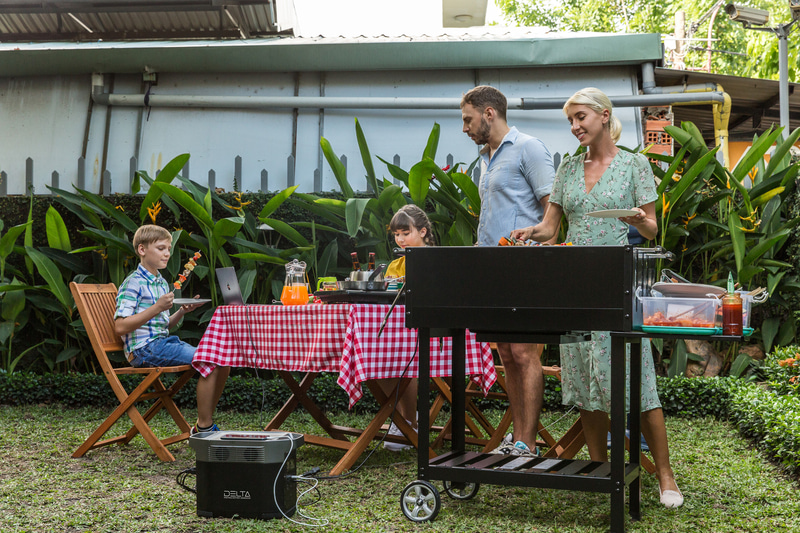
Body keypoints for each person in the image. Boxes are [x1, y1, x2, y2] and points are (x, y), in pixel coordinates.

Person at [511, 87, 683, 508]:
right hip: (575, 287)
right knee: (585, 382)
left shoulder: (634, 164)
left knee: (638, 382)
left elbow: (652, 230)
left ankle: (665, 475)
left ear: (604, 116)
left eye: (581, 118)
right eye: (571, 121)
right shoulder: (568, 168)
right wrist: (529, 233)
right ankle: (602, 472)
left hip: (617, 285)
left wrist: (640, 219)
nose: (575, 127)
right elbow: (552, 227)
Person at [461, 85, 555, 457]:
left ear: (489, 113)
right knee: (504, 351)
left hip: (525, 267)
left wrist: (539, 265)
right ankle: (517, 439)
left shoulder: (529, 147)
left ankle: (527, 444)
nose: (465, 128)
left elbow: (553, 213)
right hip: (492, 269)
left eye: (468, 119)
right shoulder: (487, 158)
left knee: (524, 351)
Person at [114, 224, 230, 435]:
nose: (167, 253)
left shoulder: (160, 282)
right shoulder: (133, 283)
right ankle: (204, 428)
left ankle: (204, 422)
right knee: (212, 359)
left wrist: (181, 312)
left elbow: (161, 325)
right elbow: (120, 326)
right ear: (142, 250)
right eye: (161, 248)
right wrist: (157, 307)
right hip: (144, 349)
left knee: (222, 360)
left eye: (169, 248)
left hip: (161, 343)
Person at [380, 204, 435, 450]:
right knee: (379, 355)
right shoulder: (395, 265)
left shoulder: (434, 260)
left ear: (423, 232)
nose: (401, 240)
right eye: (396, 235)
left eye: (406, 233)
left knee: (402, 357)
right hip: (400, 332)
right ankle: (401, 420)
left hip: (432, 333)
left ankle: (409, 421)